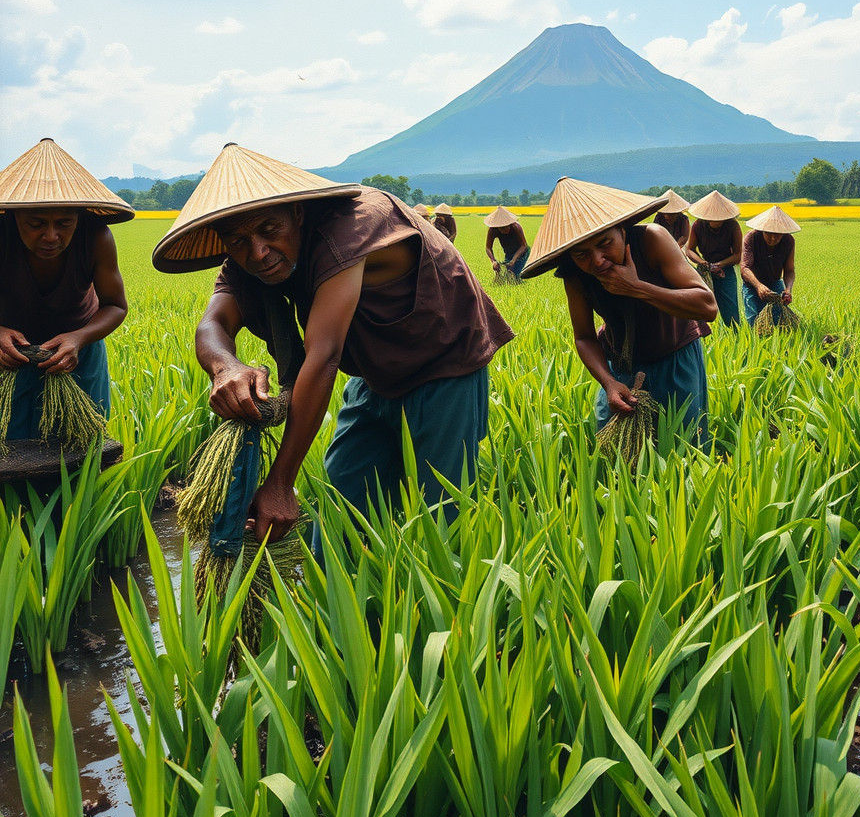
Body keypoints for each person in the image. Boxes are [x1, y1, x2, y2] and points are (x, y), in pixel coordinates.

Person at [152, 143, 513, 549]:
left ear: (298, 213)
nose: (257, 252)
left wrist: (280, 483)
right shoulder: (248, 254)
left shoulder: (353, 225)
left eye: (269, 231)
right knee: (343, 504)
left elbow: (323, 355)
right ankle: (336, 603)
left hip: (445, 363)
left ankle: (446, 605)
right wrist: (225, 367)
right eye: (238, 241)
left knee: (442, 519)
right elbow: (213, 323)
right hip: (375, 374)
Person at [521, 177, 716, 445]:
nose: (597, 260)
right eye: (582, 254)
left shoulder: (652, 240)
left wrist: (637, 288)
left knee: (681, 448)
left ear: (622, 230)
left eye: (604, 243)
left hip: (675, 357)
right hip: (621, 363)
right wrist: (608, 382)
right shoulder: (574, 272)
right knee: (615, 450)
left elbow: (707, 306)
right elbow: (584, 337)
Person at [0, 138, 133, 439]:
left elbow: (116, 305)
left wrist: (78, 338)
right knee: (9, 443)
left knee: (80, 445)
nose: (51, 236)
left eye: (64, 223)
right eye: (36, 224)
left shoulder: (97, 237)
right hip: (8, 355)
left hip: (77, 352)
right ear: (13, 216)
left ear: (79, 218)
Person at [684, 190, 742, 327]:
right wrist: (704, 263)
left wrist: (719, 265)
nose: (716, 220)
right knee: (699, 310)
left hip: (726, 271)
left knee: (731, 313)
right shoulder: (698, 225)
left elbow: (737, 255)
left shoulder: (733, 226)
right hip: (705, 270)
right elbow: (690, 250)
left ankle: (736, 337)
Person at [740, 206, 799, 326]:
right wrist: (758, 286)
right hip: (752, 284)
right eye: (769, 233)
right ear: (762, 230)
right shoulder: (751, 238)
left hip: (774, 282)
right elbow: (745, 268)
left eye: (777, 234)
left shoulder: (788, 241)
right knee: (754, 319)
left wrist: (788, 290)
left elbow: (789, 270)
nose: (773, 238)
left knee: (778, 318)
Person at [484, 206, 530, 281]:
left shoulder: (516, 227)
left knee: (517, 276)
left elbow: (524, 245)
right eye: (502, 228)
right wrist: (493, 261)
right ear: (497, 226)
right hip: (509, 253)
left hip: (522, 253)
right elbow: (488, 248)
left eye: (507, 226)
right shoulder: (493, 230)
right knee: (506, 276)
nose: (506, 229)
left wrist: (514, 260)